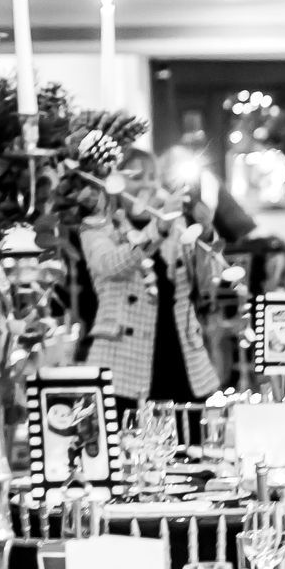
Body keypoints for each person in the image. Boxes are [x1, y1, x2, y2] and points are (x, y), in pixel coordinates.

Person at [80, 150, 221, 414]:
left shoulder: (178, 224)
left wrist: (207, 231)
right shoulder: (98, 228)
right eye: (136, 177)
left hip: (182, 355)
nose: (146, 184)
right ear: (114, 182)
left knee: (191, 433)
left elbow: (206, 284)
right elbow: (111, 264)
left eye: (152, 177)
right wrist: (159, 227)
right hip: (123, 362)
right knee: (131, 434)